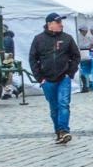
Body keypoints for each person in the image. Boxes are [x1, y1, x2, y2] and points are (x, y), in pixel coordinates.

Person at [29, 12, 80, 145]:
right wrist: (40, 78)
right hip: (47, 79)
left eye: (61, 23)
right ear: (49, 24)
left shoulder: (67, 38)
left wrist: (70, 73)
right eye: (58, 23)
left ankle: (64, 130)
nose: (61, 25)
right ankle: (58, 132)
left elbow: (76, 56)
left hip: (63, 77)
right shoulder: (38, 39)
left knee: (63, 103)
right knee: (54, 107)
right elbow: (33, 59)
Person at [76, 25, 93, 92]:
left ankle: (88, 83)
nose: (86, 33)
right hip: (81, 53)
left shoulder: (87, 37)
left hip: (87, 53)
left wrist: (91, 45)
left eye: (86, 31)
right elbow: (80, 45)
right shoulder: (78, 37)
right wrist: (88, 45)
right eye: (85, 31)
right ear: (81, 30)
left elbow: (89, 44)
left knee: (87, 69)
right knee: (82, 69)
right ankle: (85, 84)